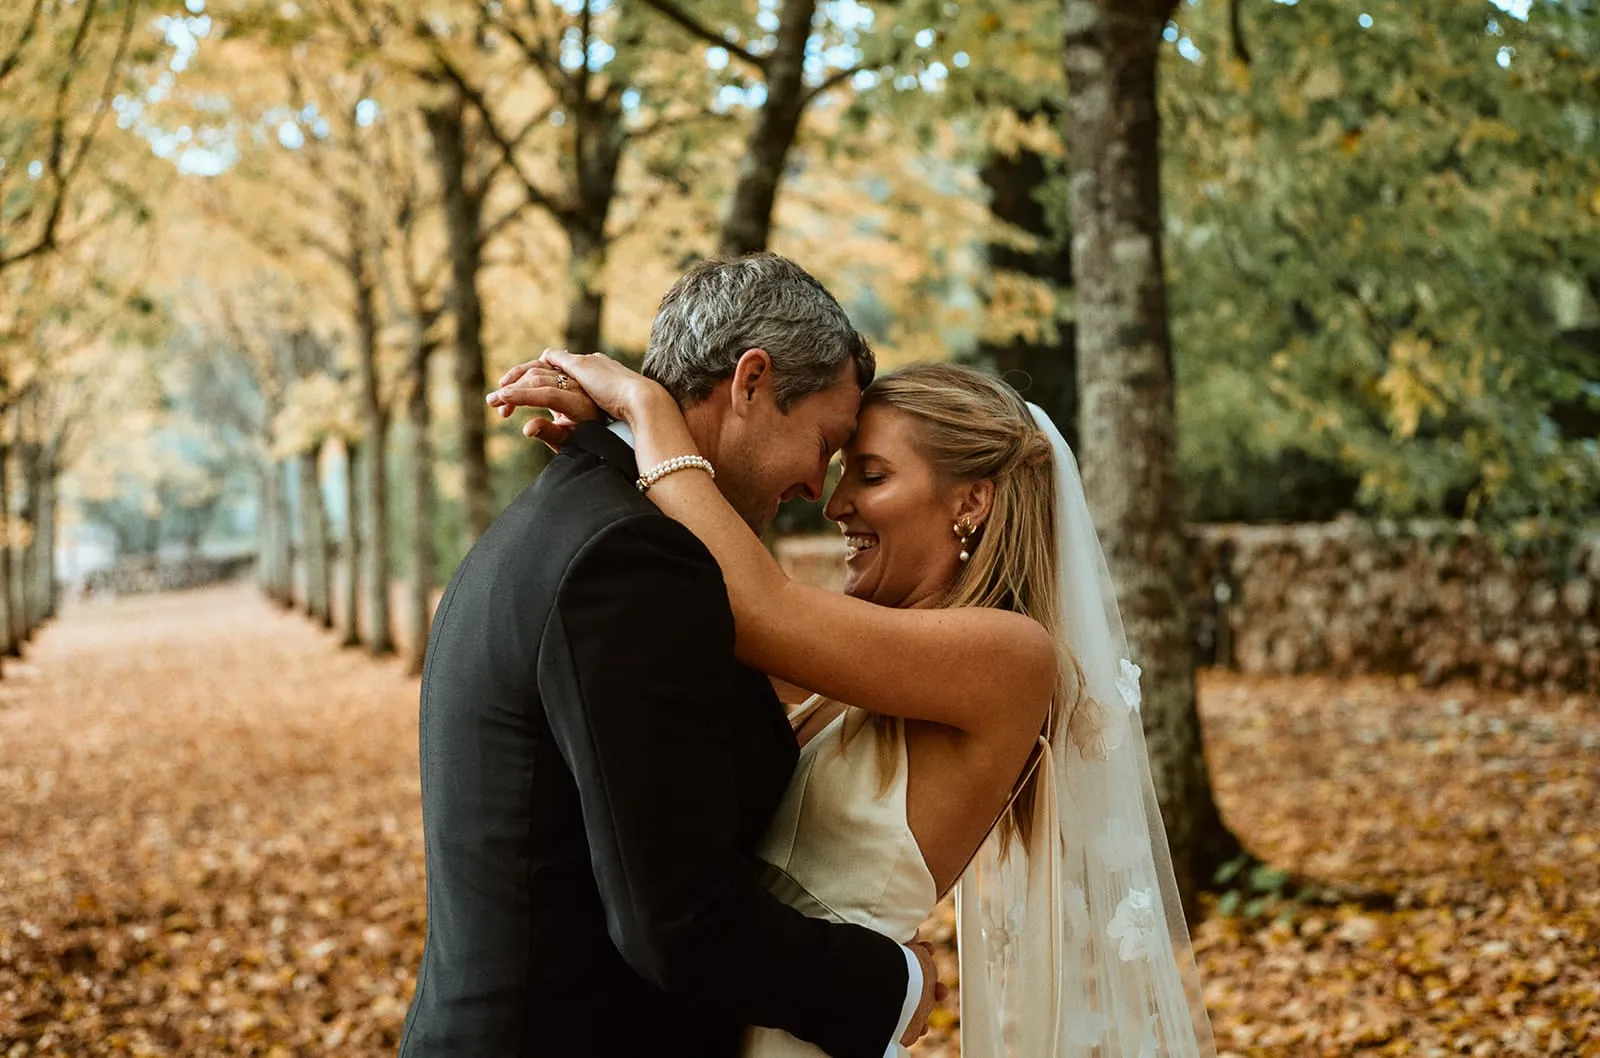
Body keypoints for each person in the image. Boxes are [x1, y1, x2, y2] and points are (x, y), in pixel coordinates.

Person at [489, 351, 1219, 1056]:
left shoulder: (1010, 656)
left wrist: (644, 411)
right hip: (749, 1006)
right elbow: (680, 654)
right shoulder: (861, 654)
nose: (835, 503)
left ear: (970, 501)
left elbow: (751, 602)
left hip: (803, 1033)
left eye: (870, 476)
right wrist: (609, 460)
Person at [399, 253, 940, 1058]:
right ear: (751, 382)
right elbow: (677, 923)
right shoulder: (633, 561)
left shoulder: (574, 518)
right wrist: (896, 983)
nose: (815, 489)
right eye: (823, 443)